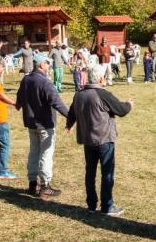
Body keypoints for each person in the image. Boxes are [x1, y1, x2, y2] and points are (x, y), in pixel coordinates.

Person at [65, 63, 132, 216]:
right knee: (107, 172)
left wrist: (69, 124)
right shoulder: (102, 94)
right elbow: (121, 110)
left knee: (90, 172)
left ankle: (91, 204)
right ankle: (107, 206)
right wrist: (129, 104)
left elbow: (72, 111)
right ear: (101, 78)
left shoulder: (79, 94)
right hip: (104, 139)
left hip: (88, 141)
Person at [16, 53, 70, 199]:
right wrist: (71, 116)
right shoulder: (44, 82)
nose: (49, 65)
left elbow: (19, 98)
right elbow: (56, 101)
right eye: (47, 62)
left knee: (34, 151)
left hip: (32, 123)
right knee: (46, 154)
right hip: (45, 123)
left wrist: (19, 105)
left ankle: (33, 183)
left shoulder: (26, 79)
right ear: (41, 64)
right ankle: (45, 185)